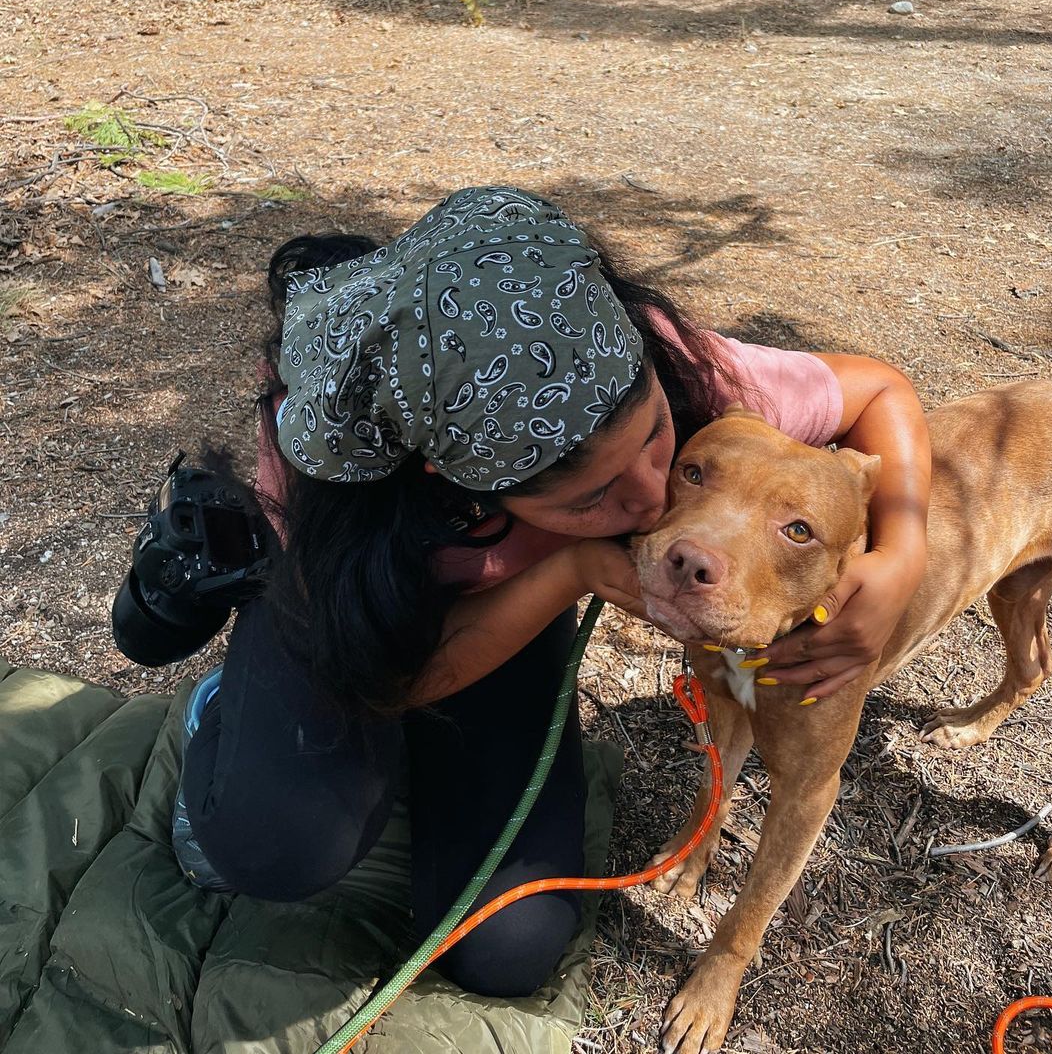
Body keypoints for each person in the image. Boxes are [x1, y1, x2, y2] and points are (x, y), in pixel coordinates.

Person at [172, 185, 930, 998]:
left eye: (658, 445)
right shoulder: (336, 486)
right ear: (455, 479)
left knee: (508, 952)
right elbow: (403, 676)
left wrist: (902, 556)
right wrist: (574, 568)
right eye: (587, 502)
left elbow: (881, 391)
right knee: (279, 844)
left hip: (503, 612)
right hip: (357, 622)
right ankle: (231, 699)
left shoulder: (657, 363)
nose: (648, 504)